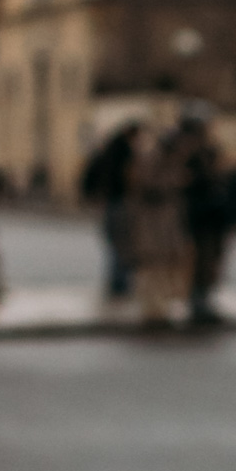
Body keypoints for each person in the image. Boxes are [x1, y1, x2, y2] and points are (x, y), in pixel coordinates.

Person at [126, 125, 192, 324]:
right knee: (151, 269)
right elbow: (146, 187)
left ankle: (160, 308)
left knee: (164, 268)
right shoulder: (152, 161)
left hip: (164, 225)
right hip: (152, 224)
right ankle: (152, 309)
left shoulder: (168, 162)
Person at [178, 114, 232, 327]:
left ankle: (203, 299)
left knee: (209, 260)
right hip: (199, 216)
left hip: (210, 217)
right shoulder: (189, 154)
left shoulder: (205, 153)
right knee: (198, 261)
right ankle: (197, 301)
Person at [80, 121, 137, 301]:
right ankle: (120, 284)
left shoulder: (106, 152)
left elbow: (89, 177)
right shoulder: (125, 153)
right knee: (123, 244)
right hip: (121, 203)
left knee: (114, 244)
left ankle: (117, 282)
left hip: (110, 202)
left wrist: (92, 195)